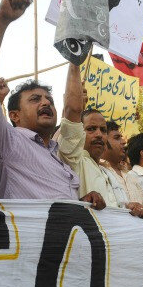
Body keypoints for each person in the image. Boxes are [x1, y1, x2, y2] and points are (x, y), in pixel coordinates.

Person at [0, 0, 105, 206]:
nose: (46, 103)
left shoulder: (58, 154)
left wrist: (81, 203)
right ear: (14, 115)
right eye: (35, 99)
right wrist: (2, 20)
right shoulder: (5, 142)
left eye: (49, 99)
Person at [56, 63, 116, 206]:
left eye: (103, 130)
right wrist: (75, 64)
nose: (99, 135)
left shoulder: (108, 172)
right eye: (91, 129)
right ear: (79, 132)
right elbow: (72, 113)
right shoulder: (73, 158)